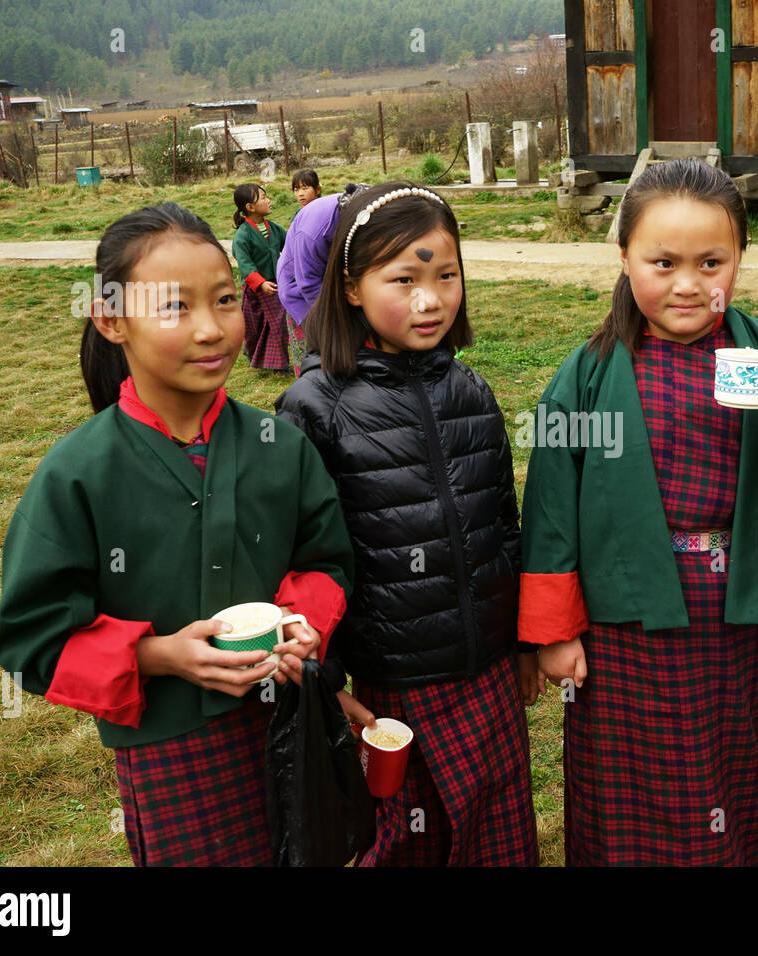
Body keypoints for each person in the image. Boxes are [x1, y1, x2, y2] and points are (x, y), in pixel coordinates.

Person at [0, 203, 356, 866]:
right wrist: (159, 656)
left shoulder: (280, 445)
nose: (212, 329)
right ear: (110, 319)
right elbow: (33, 637)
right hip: (170, 754)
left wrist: (303, 624)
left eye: (222, 300)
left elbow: (327, 560)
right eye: (174, 308)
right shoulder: (79, 473)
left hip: (289, 718)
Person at [520, 158, 758, 865]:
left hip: (729, 617)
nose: (687, 284)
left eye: (712, 262)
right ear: (623, 258)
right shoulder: (585, 377)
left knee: (725, 768)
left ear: (740, 258)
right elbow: (549, 511)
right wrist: (553, 632)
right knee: (619, 780)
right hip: (621, 620)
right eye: (662, 261)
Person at [275, 181, 541, 867]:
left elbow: (502, 527)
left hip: (486, 672)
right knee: (408, 835)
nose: (431, 300)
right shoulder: (314, 408)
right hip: (391, 682)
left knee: (494, 829)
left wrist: (524, 640)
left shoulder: (471, 391)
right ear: (353, 287)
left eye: (446, 275)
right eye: (404, 279)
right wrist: (323, 680)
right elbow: (300, 559)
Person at [276, 183, 366, 327]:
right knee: (322, 341)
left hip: (330, 283)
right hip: (301, 292)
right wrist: (335, 320)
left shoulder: (357, 207)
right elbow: (308, 283)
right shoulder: (313, 233)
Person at [231, 183, 292, 373]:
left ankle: (279, 364)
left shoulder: (274, 229)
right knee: (254, 329)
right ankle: (252, 351)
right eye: (263, 198)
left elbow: (290, 245)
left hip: (275, 286)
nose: (268, 201)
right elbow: (245, 264)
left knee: (277, 324)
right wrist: (261, 283)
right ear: (250, 207)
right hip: (256, 290)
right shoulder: (242, 236)